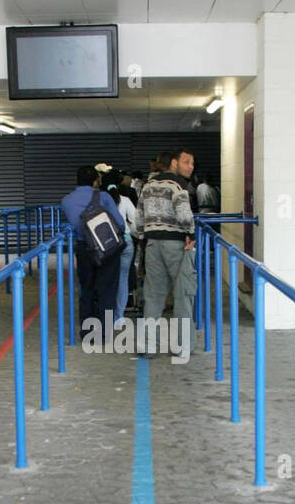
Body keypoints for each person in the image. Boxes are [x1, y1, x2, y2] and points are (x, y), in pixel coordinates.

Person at [134, 149, 197, 356]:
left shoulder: (148, 186)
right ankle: (182, 346)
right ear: (174, 163)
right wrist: (191, 233)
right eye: (187, 162)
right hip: (176, 246)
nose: (191, 166)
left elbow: (139, 219)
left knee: (153, 297)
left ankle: (148, 346)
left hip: (152, 244)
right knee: (183, 294)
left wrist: (145, 237)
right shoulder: (178, 185)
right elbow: (184, 216)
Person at [60, 165, 125, 329]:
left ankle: (88, 332)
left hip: (84, 248)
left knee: (87, 289)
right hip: (107, 249)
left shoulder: (66, 201)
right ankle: (104, 331)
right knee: (107, 289)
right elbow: (120, 224)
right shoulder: (104, 197)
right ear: (96, 180)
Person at [106, 175, 137, 319]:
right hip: (125, 242)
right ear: (118, 185)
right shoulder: (125, 200)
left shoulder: (100, 201)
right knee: (123, 279)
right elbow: (136, 221)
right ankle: (119, 317)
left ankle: (107, 315)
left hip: (107, 244)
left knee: (107, 279)